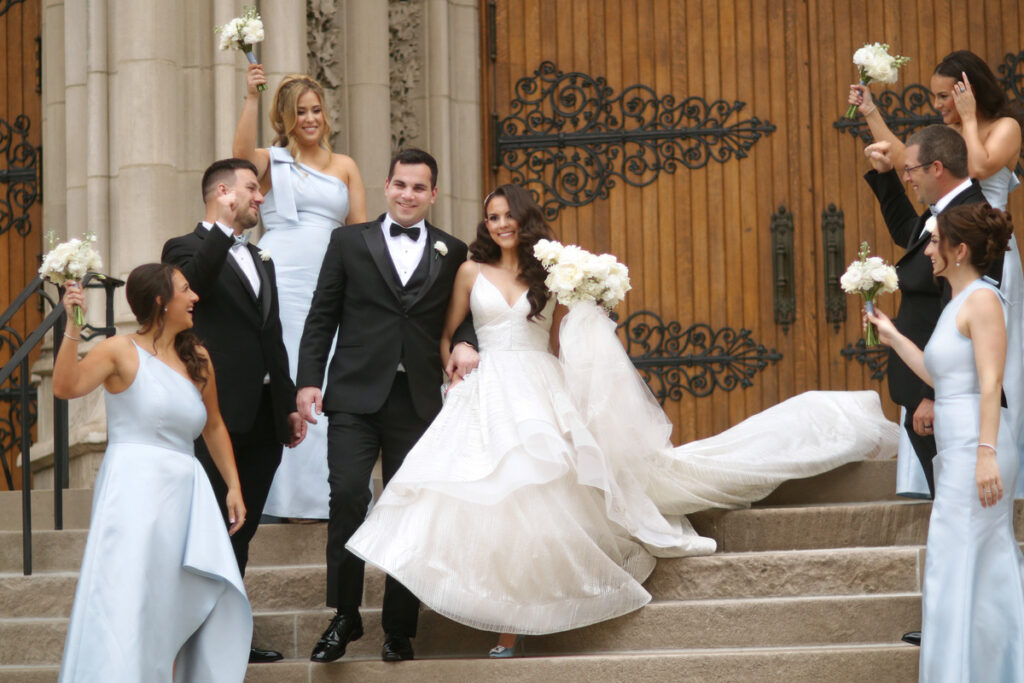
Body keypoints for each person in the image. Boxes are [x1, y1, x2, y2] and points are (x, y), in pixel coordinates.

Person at [346, 184, 899, 656]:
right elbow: (446, 333)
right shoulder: (469, 269)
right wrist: (457, 356)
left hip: (540, 387)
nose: (501, 224)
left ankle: (520, 620)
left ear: (525, 218)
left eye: (509, 215)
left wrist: (593, 325)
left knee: (542, 500)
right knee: (493, 497)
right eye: (492, 217)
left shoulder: (552, 274)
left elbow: (568, 339)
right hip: (486, 391)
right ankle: (495, 616)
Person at [295, 148, 480, 663]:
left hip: (418, 399)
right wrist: (309, 380)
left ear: (433, 194)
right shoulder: (348, 241)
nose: (408, 195)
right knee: (348, 495)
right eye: (401, 184)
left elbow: (462, 315)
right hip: (353, 394)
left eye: (419, 188)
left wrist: (466, 341)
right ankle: (345, 615)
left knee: (409, 511)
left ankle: (400, 628)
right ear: (386, 185)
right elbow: (321, 313)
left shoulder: (453, 249)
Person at [56, 264, 251, 681]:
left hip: (187, 494)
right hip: (133, 490)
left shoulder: (197, 357)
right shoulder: (118, 350)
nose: (195, 296)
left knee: (174, 598)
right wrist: (73, 325)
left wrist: (233, 485)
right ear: (161, 300)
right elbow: (66, 386)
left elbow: (213, 425)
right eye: (185, 289)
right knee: (132, 594)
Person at [851, 51, 1024, 498]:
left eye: (945, 95)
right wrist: (871, 114)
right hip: (950, 240)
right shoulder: (936, 189)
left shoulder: (1000, 131)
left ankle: (998, 453)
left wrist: (934, 393)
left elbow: (981, 167)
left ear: (968, 89)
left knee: (993, 354)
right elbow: (913, 159)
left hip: (985, 248)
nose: (938, 103)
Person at [867, 204, 1024, 681]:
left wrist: (986, 454)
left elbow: (991, 382)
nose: (927, 249)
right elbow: (941, 374)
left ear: (960, 251)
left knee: (959, 558)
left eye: (935, 242)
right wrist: (891, 334)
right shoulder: (955, 302)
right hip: (957, 447)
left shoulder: (983, 300)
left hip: (980, 446)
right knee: (961, 560)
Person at [162, 158, 305, 664]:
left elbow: (273, 335)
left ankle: (227, 635)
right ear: (222, 193)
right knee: (208, 525)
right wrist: (221, 229)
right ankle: (189, 636)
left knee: (241, 532)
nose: (261, 198)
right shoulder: (182, 248)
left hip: (264, 413)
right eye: (252, 189)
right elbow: (194, 289)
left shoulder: (261, 258)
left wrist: (286, 403)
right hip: (214, 413)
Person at [233, 65, 367, 521]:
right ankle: (281, 499)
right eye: (300, 112)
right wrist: (250, 97)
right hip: (282, 277)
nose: (310, 118)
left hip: (328, 280)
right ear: (286, 118)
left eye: (316, 110)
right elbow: (237, 162)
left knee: (329, 373)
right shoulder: (273, 160)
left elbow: (360, 232)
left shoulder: (345, 166)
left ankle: (331, 495)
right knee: (288, 373)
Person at [863, 125, 992, 506]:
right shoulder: (945, 210)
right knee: (949, 503)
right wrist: (886, 178)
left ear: (936, 168)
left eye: (910, 170)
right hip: (927, 388)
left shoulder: (967, 215)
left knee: (956, 504)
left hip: (940, 396)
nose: (907, 177)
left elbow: (956, 314)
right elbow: (909, 232)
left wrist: (932, 395)